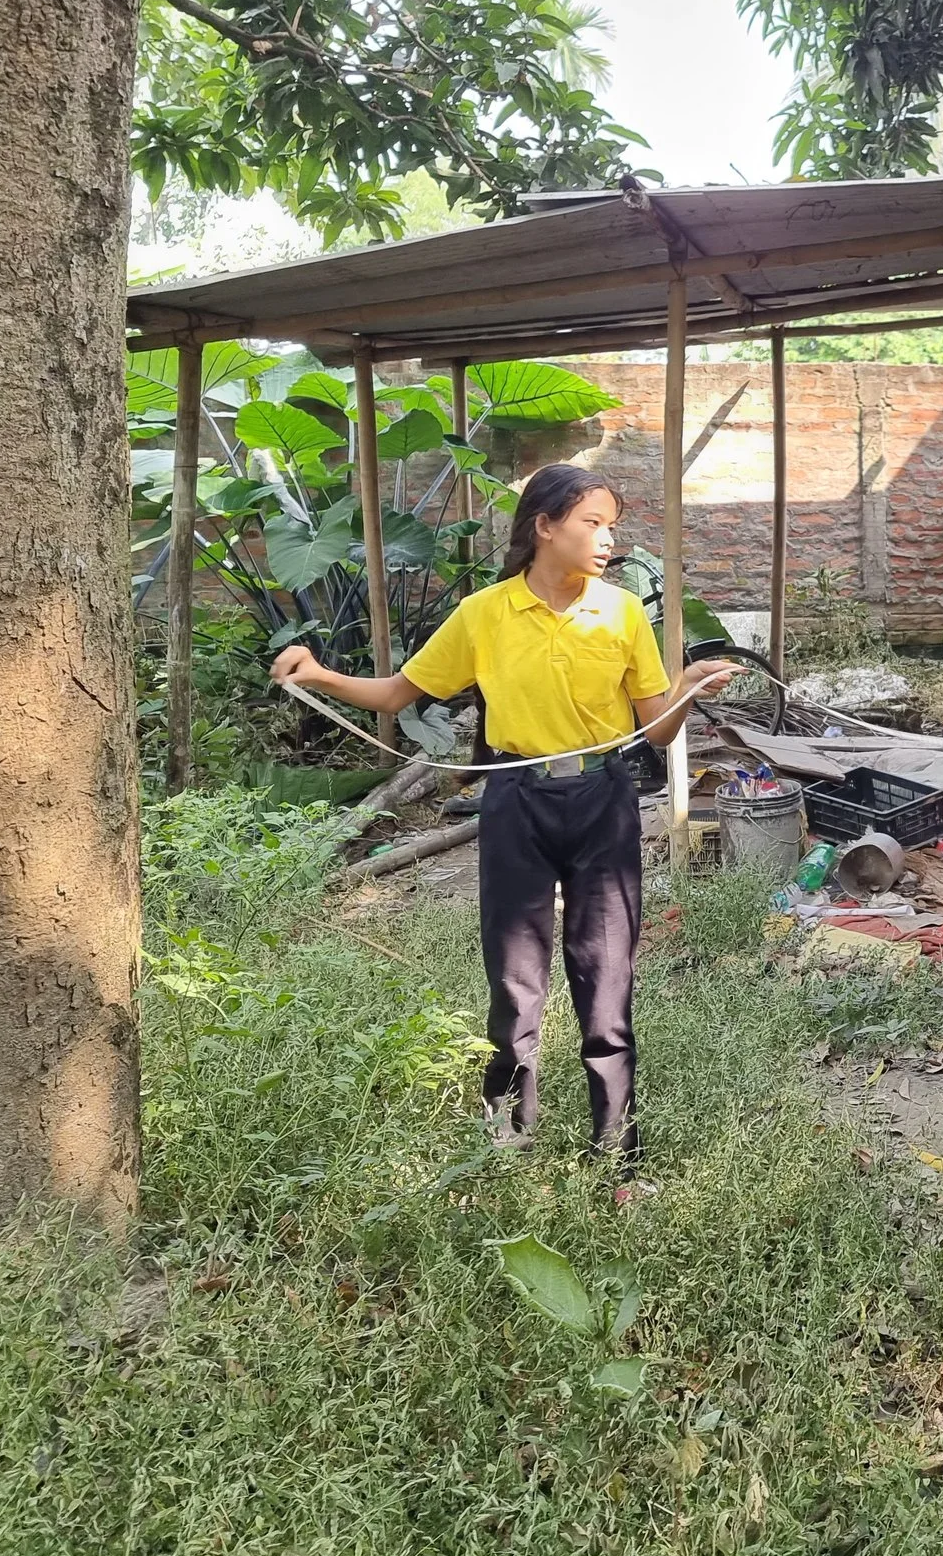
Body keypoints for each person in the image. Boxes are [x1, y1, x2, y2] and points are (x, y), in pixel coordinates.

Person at [271, 465, 738, 1167]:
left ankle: (616, 1152)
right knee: (516, 985)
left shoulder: (621, 612)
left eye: (612, 524)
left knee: (606, 982)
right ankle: (507, 1143)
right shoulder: (484, 614)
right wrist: (319, 674)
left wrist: (687, 689)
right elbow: (397, 694)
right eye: (592, 522)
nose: (608, 538)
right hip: (516, 800)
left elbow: (657, 733)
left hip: (602, 801)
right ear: (544, 526)